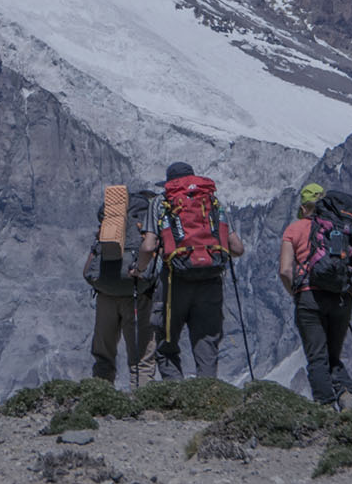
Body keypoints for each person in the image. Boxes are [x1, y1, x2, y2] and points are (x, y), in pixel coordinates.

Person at [133, 162, 244, 380]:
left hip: (174, 281)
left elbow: (148, 246)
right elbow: (237, 248)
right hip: (211, 280)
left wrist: (139, 269)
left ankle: (176, 396)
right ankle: (207, 397)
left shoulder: (161, 202)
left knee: (166, 342)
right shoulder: (212, 201)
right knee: (207, 342)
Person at [281, 188, 352, 409]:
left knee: (317, 356)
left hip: (309, 296)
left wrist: (297, 293)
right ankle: (346, 393)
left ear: (303, 208)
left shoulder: (295, 229)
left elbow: (285, 271)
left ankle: (325, 406)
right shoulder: (347, 230)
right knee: (333, 354)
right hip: (341, 298)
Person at [85, 187, 159, 388]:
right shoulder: (148, 219)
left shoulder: (112, 220)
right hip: (137, 293)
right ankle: (141, 401)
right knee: (141, 355)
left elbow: (89, 266)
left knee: (103, 354)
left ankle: (100, 395)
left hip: (105, 293)